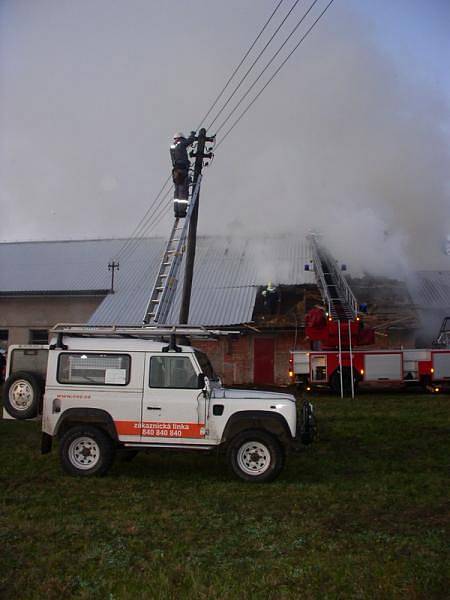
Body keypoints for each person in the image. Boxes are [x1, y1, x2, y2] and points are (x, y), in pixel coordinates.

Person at [170, 131, 196, 218]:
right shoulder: (181, 143)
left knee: (177, 192)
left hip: (176, 172)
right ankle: (182, 212)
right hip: (182, 171)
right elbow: (189, 141)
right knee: (183, 191)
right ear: (181, 138)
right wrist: (192, 135)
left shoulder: (173, 147)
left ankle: (177, 211)